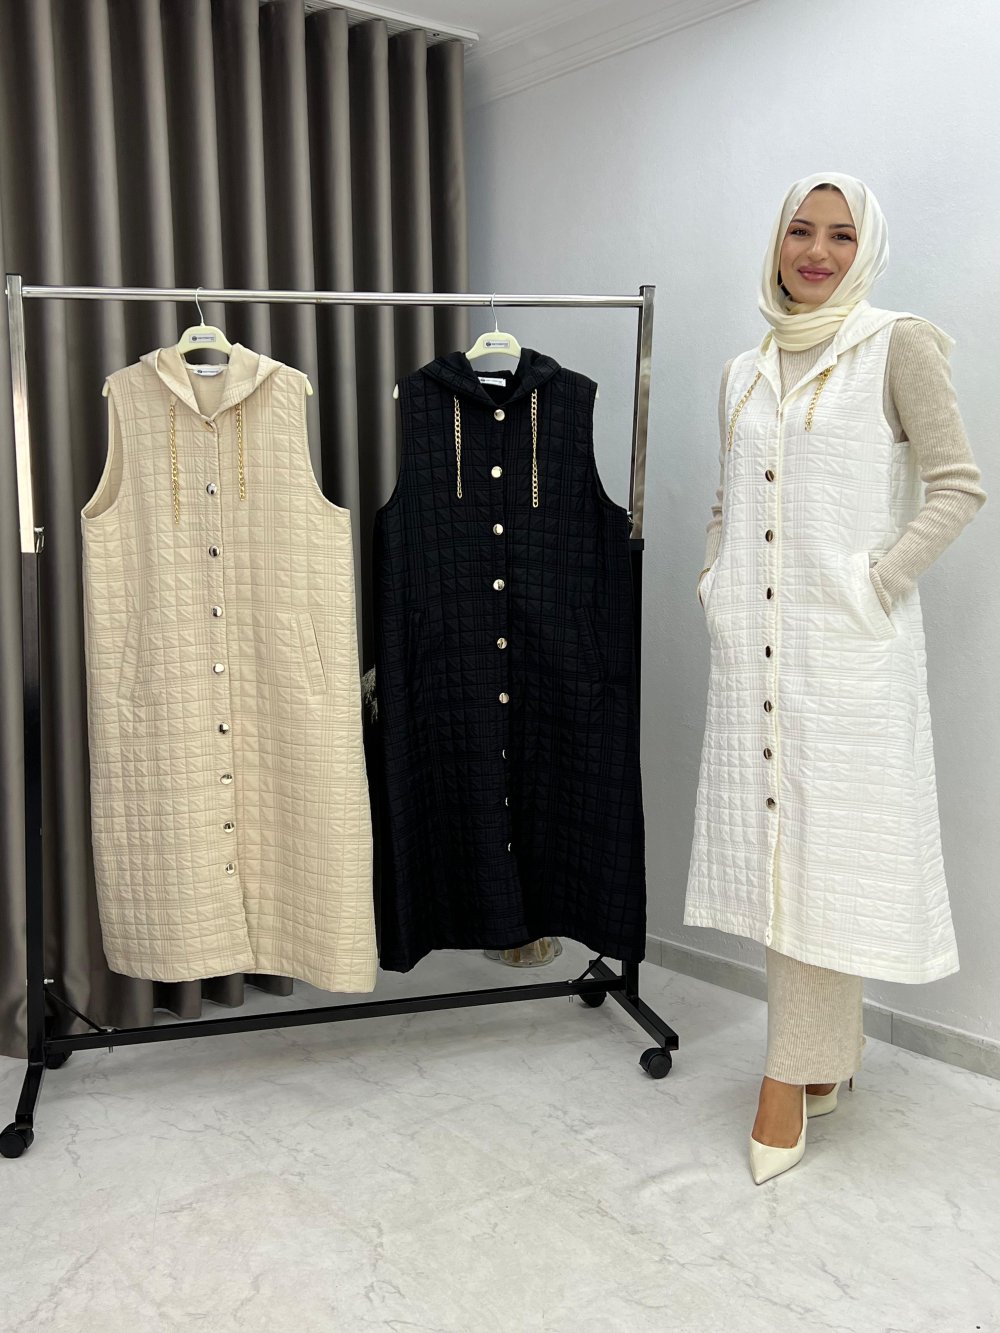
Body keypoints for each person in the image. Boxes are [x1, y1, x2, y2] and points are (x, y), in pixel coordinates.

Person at [685, 171, 987, 1184]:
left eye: (841, 235)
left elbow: (957, 485)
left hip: (849, 655)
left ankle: (787, 1074)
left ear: (867, 248)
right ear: (777, 241)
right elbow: (728, 501)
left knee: (824, 860)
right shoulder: (741, 371)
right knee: (782, 855)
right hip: (755, 652)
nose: (817, 252)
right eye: (801, 231)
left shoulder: (897, 345)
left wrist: (874, 582)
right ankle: (826, 1057)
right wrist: (715, 585)